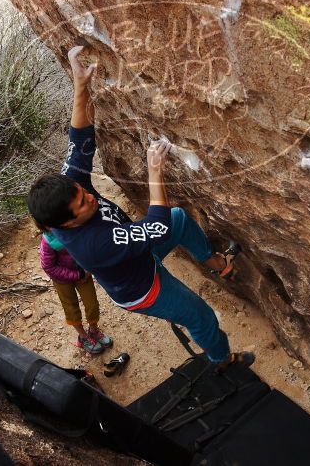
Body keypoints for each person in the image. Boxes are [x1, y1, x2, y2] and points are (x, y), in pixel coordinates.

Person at [26, 45, 253, 369]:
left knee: (179, 218)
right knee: (199, 315)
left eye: (82, 191)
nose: (89, 196)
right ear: (67, 224)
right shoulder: (92, 244)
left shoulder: (69, 190)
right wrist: (154, 171)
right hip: (142, 286)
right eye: (81, 204)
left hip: (138, 255)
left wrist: (80, 86)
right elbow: (155, 227)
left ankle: (216, 262)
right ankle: (223, 359)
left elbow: (80, 139)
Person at [38, 229, 112, 355]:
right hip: (62, 279)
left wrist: (88, 267)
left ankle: (93, 331)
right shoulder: (48, 242)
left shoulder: (75, 229)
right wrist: (79, 274)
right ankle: (83, 337)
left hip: (83, 273)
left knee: (92, 304)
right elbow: (48, 266)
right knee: (71, 308)